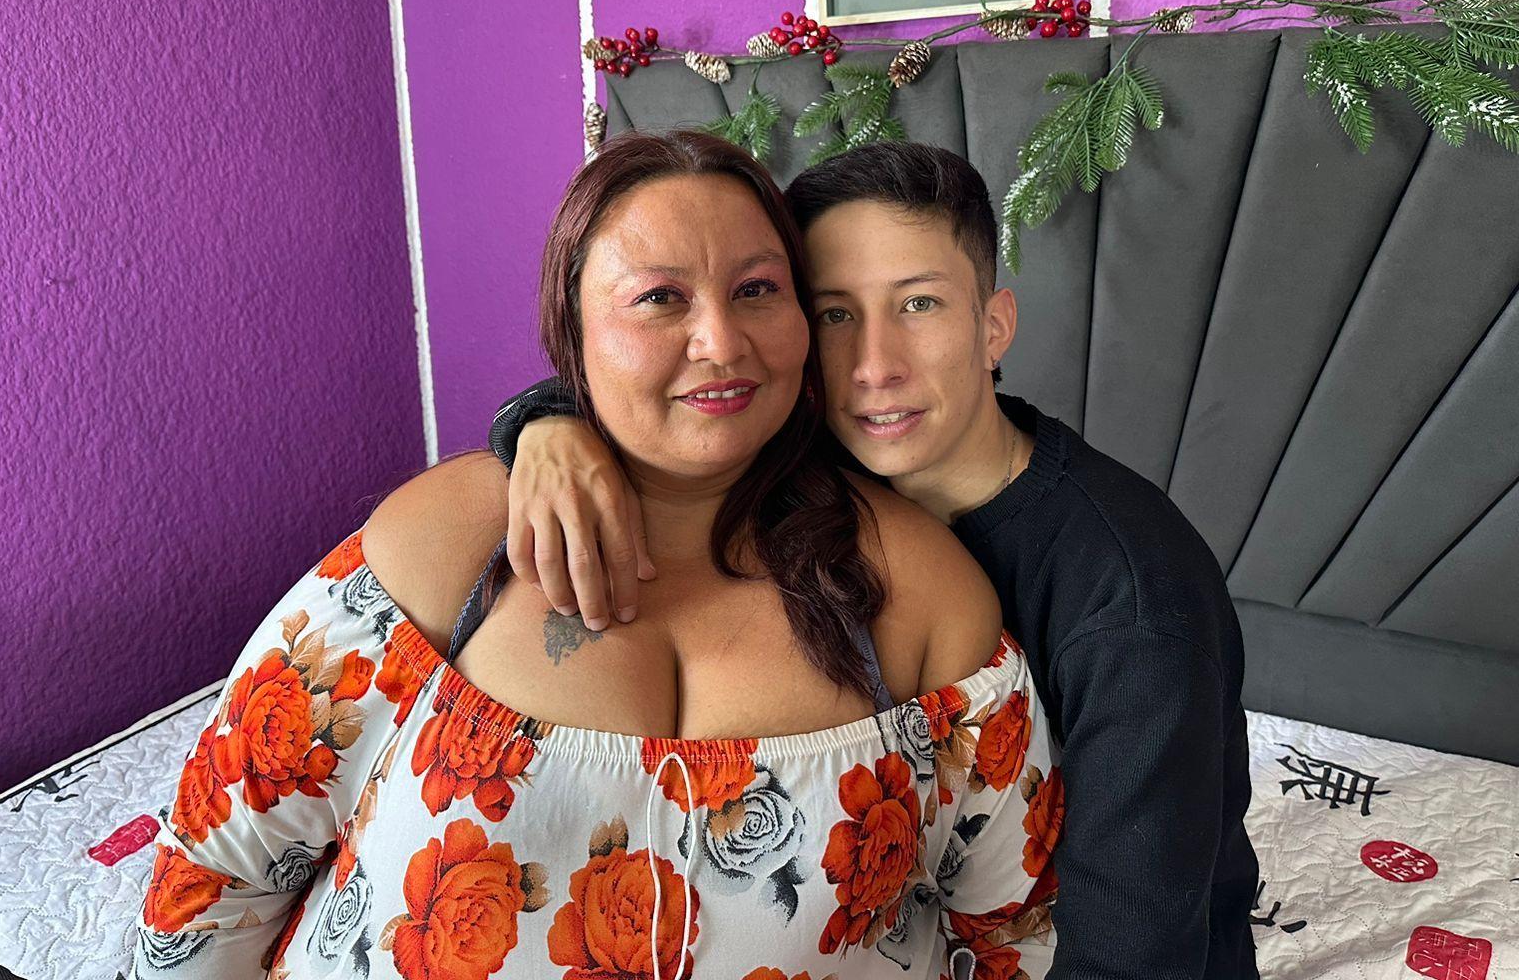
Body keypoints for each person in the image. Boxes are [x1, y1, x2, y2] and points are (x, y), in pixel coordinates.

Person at [129, 130, 1063, 980]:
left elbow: (1006, 935)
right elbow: (218, 872)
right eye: (659, 298)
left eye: (757, 290)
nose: (721, 341)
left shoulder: (922, 593)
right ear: (572, 331)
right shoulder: (451, 544)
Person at [486, 141, 1261, 980]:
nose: (874, 367)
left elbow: (1134, 955)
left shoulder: (1133, 602)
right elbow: (655, 385)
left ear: (993, 326)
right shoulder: (815, 463)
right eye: (833, 314)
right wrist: (548, 422)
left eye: (919, 303)